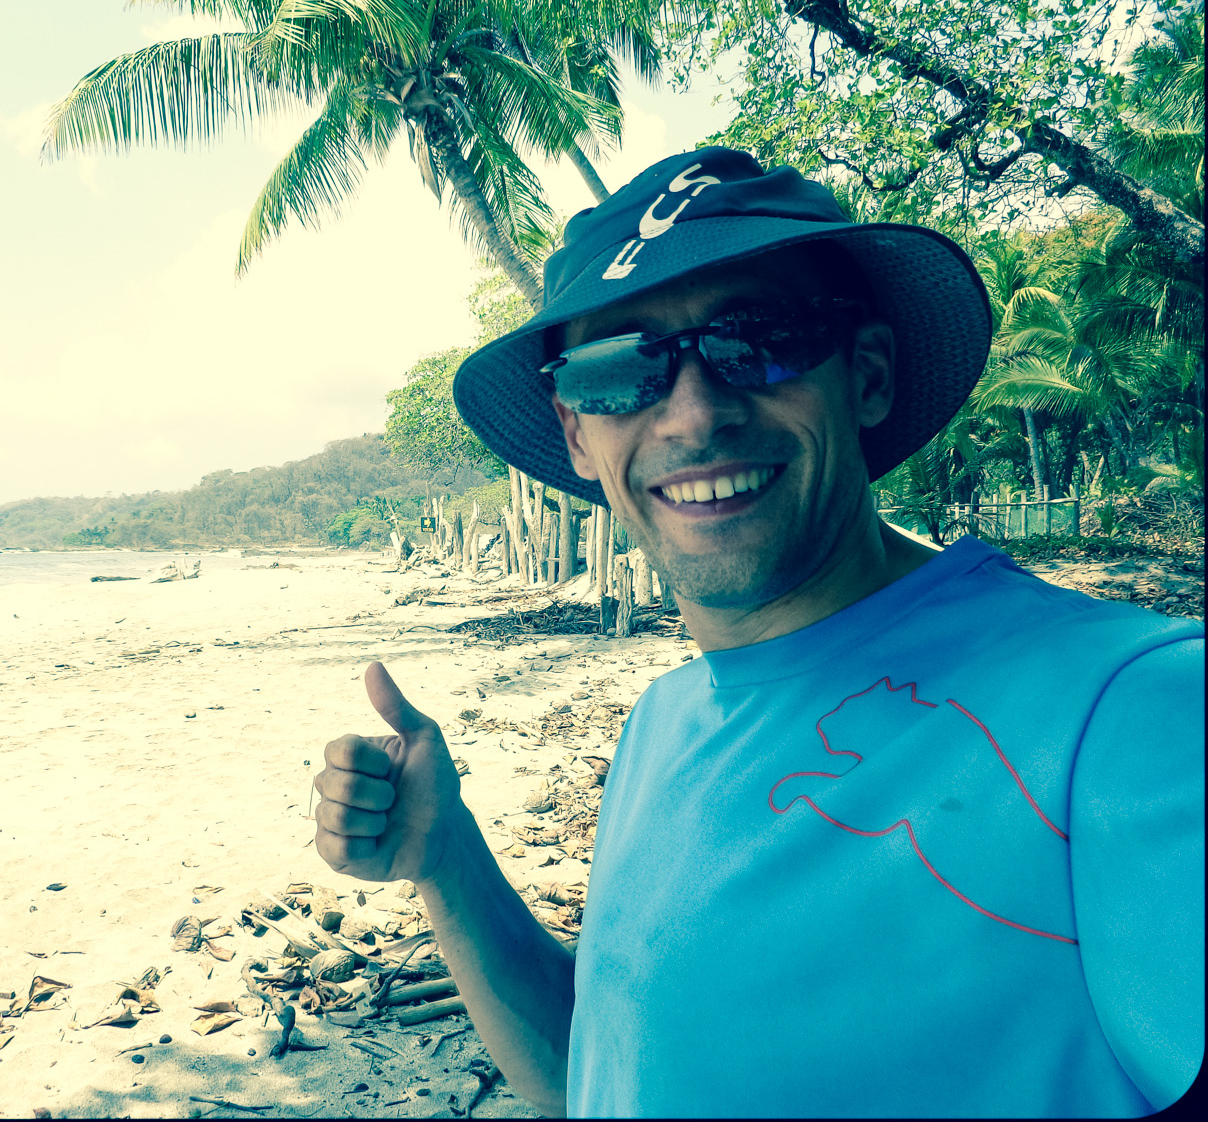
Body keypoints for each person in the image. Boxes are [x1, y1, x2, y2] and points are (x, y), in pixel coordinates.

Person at [311, 147, 1204, 1117]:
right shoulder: (661, 723)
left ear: (865, 375)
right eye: (619, 370)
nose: (694, 416)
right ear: (577, 434)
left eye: (761, 340)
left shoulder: (1135, 714)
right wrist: (448, 864)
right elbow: (604, 1075)